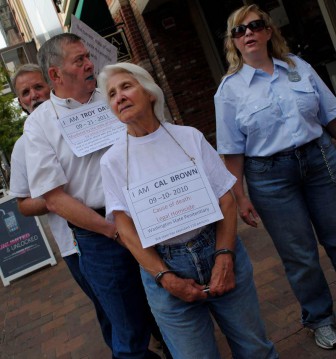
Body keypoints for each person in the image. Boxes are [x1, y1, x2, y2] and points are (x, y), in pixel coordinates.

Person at [98, 62, 278, 359]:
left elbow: (226, 199)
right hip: (164, 265)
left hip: (216, 246)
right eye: (112, 94)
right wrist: (165, 277)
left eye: (126, 86)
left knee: (254, 348)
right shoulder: (112, 161)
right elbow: (126, 230)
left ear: (150, 93)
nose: (119, 97)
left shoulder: (188, 137)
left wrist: (224, 256)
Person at [23, 34, 166, 359]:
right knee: (129, 331)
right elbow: (54, 198)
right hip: (101, 238)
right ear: (56, 75)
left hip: (149, 212)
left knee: (171, 309)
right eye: (79, 60)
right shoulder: (40, 126)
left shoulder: (113, 96)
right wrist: (111, 230)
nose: (90, 64)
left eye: (88, 56)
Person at [214, 4, 336, 350]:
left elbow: (330, 115)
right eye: (239, 30)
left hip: (320, 160)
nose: (248, 33)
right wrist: (239, 197)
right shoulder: (229, 91)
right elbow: (232, 152)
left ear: (269, 32)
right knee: (300, 254)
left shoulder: (298, 67)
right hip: (270, 178)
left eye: (255, 26)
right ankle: (320, 317)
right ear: (233, 42)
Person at [9, 63, 112, 349]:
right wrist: (59, 200)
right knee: (109, 311)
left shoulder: (86, 118)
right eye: (25, 93)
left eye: (38, 87)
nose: (33, 96)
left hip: (118, 223)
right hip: (75, 245)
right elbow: (24, 205)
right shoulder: (22, 147)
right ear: (20, 102)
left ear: (51, 84)